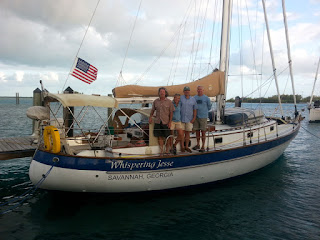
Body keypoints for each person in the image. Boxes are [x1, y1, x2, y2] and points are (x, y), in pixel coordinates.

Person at [149, 87, 174, 156]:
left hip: (165, 121)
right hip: (158, 121)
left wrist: (170, 122)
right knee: (159, 136)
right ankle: (161, 150)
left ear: (165, 93)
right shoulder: (155, 101)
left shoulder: (169, 102)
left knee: (167, 137)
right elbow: (153, 110)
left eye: (163, 92)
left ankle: (167, 150)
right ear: (159, 93)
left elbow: (171, 112)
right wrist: (150, 117)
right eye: (161, 92)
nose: (162, 93)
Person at [193, 85, 211, 152]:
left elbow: (209, 107)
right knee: (197, 131)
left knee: (203, 132)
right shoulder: (194, 98)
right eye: (198, 89)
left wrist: (204, 111)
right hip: (196, 117)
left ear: (203, 90)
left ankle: (203, 146)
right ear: (197, 90)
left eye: (201, 89)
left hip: (203, 117)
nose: (199, 90)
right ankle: (198, 144)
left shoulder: (206, 98)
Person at [180, 86, 197, 153]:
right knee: (181, 134)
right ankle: (182, 147)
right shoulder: (181, 98)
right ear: (183, 92)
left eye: (188, 90)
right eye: (185, 90)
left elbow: (195, 109)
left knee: (187, 134)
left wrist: (194, 118)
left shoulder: (193, 99)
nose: (187, 91)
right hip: (181, 119)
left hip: (189, 119)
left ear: (189, 92)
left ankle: (186, 146)